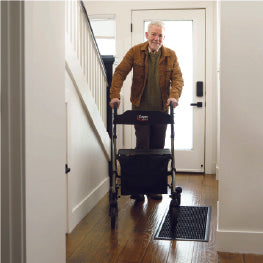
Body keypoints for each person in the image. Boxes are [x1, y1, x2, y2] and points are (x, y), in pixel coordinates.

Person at [109, 20, 184, 201]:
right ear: (147, 35)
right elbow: (120, 73)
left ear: (163, 37)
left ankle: (154, 187)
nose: (156, 38)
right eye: (153, 34)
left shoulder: (170, 55)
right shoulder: (135, 52)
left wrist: (174, 96)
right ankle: (137, 187)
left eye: (160, 36)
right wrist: (115, 95)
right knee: (143, 146)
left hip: (161, 110)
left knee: (158, 148)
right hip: (140, 108)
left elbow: (178, 79)